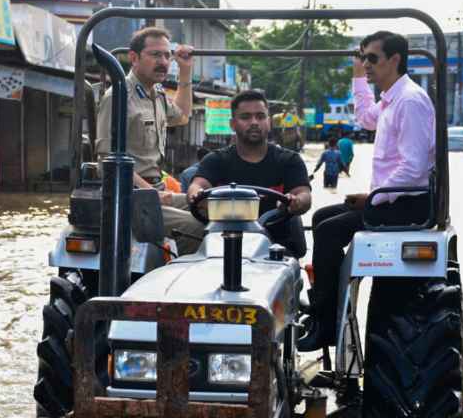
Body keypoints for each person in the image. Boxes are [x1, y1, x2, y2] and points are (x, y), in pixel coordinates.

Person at [297, 31, 435, 352]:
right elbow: (363, 116)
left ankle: (327, 325)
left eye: (372, 58)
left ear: (395, 60)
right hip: (390, 198)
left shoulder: (410, 102)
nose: (367, 64)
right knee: (321, 217)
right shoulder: (390, 100)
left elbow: (414, 168)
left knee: (331, 231)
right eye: (363, 59)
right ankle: (323, 309)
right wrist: (358, 76)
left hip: (406, 203)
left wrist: (373, 197)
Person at [96, 27, 205, 254]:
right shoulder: (118, 97)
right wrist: (150, 193)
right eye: (155, 55)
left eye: (167, 55)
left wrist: (185, 72)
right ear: (134, 58)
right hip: (130, 197)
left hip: (155, 189)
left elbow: (183, 115)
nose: (163, 62)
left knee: (215, 207)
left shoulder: (156, 94)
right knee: (197, 227)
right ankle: (173, 280)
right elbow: (106, 161)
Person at [187, 90, 312, 258]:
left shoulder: (290, 160)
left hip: (278, 250)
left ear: (269, 122)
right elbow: (198, 186)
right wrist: (196, 196)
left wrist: (297, 201)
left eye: (260, 116)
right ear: (232, 124)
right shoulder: (215, 160)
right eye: (245, 117)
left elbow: (303, 194)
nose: (254, 122)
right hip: (223, 246)